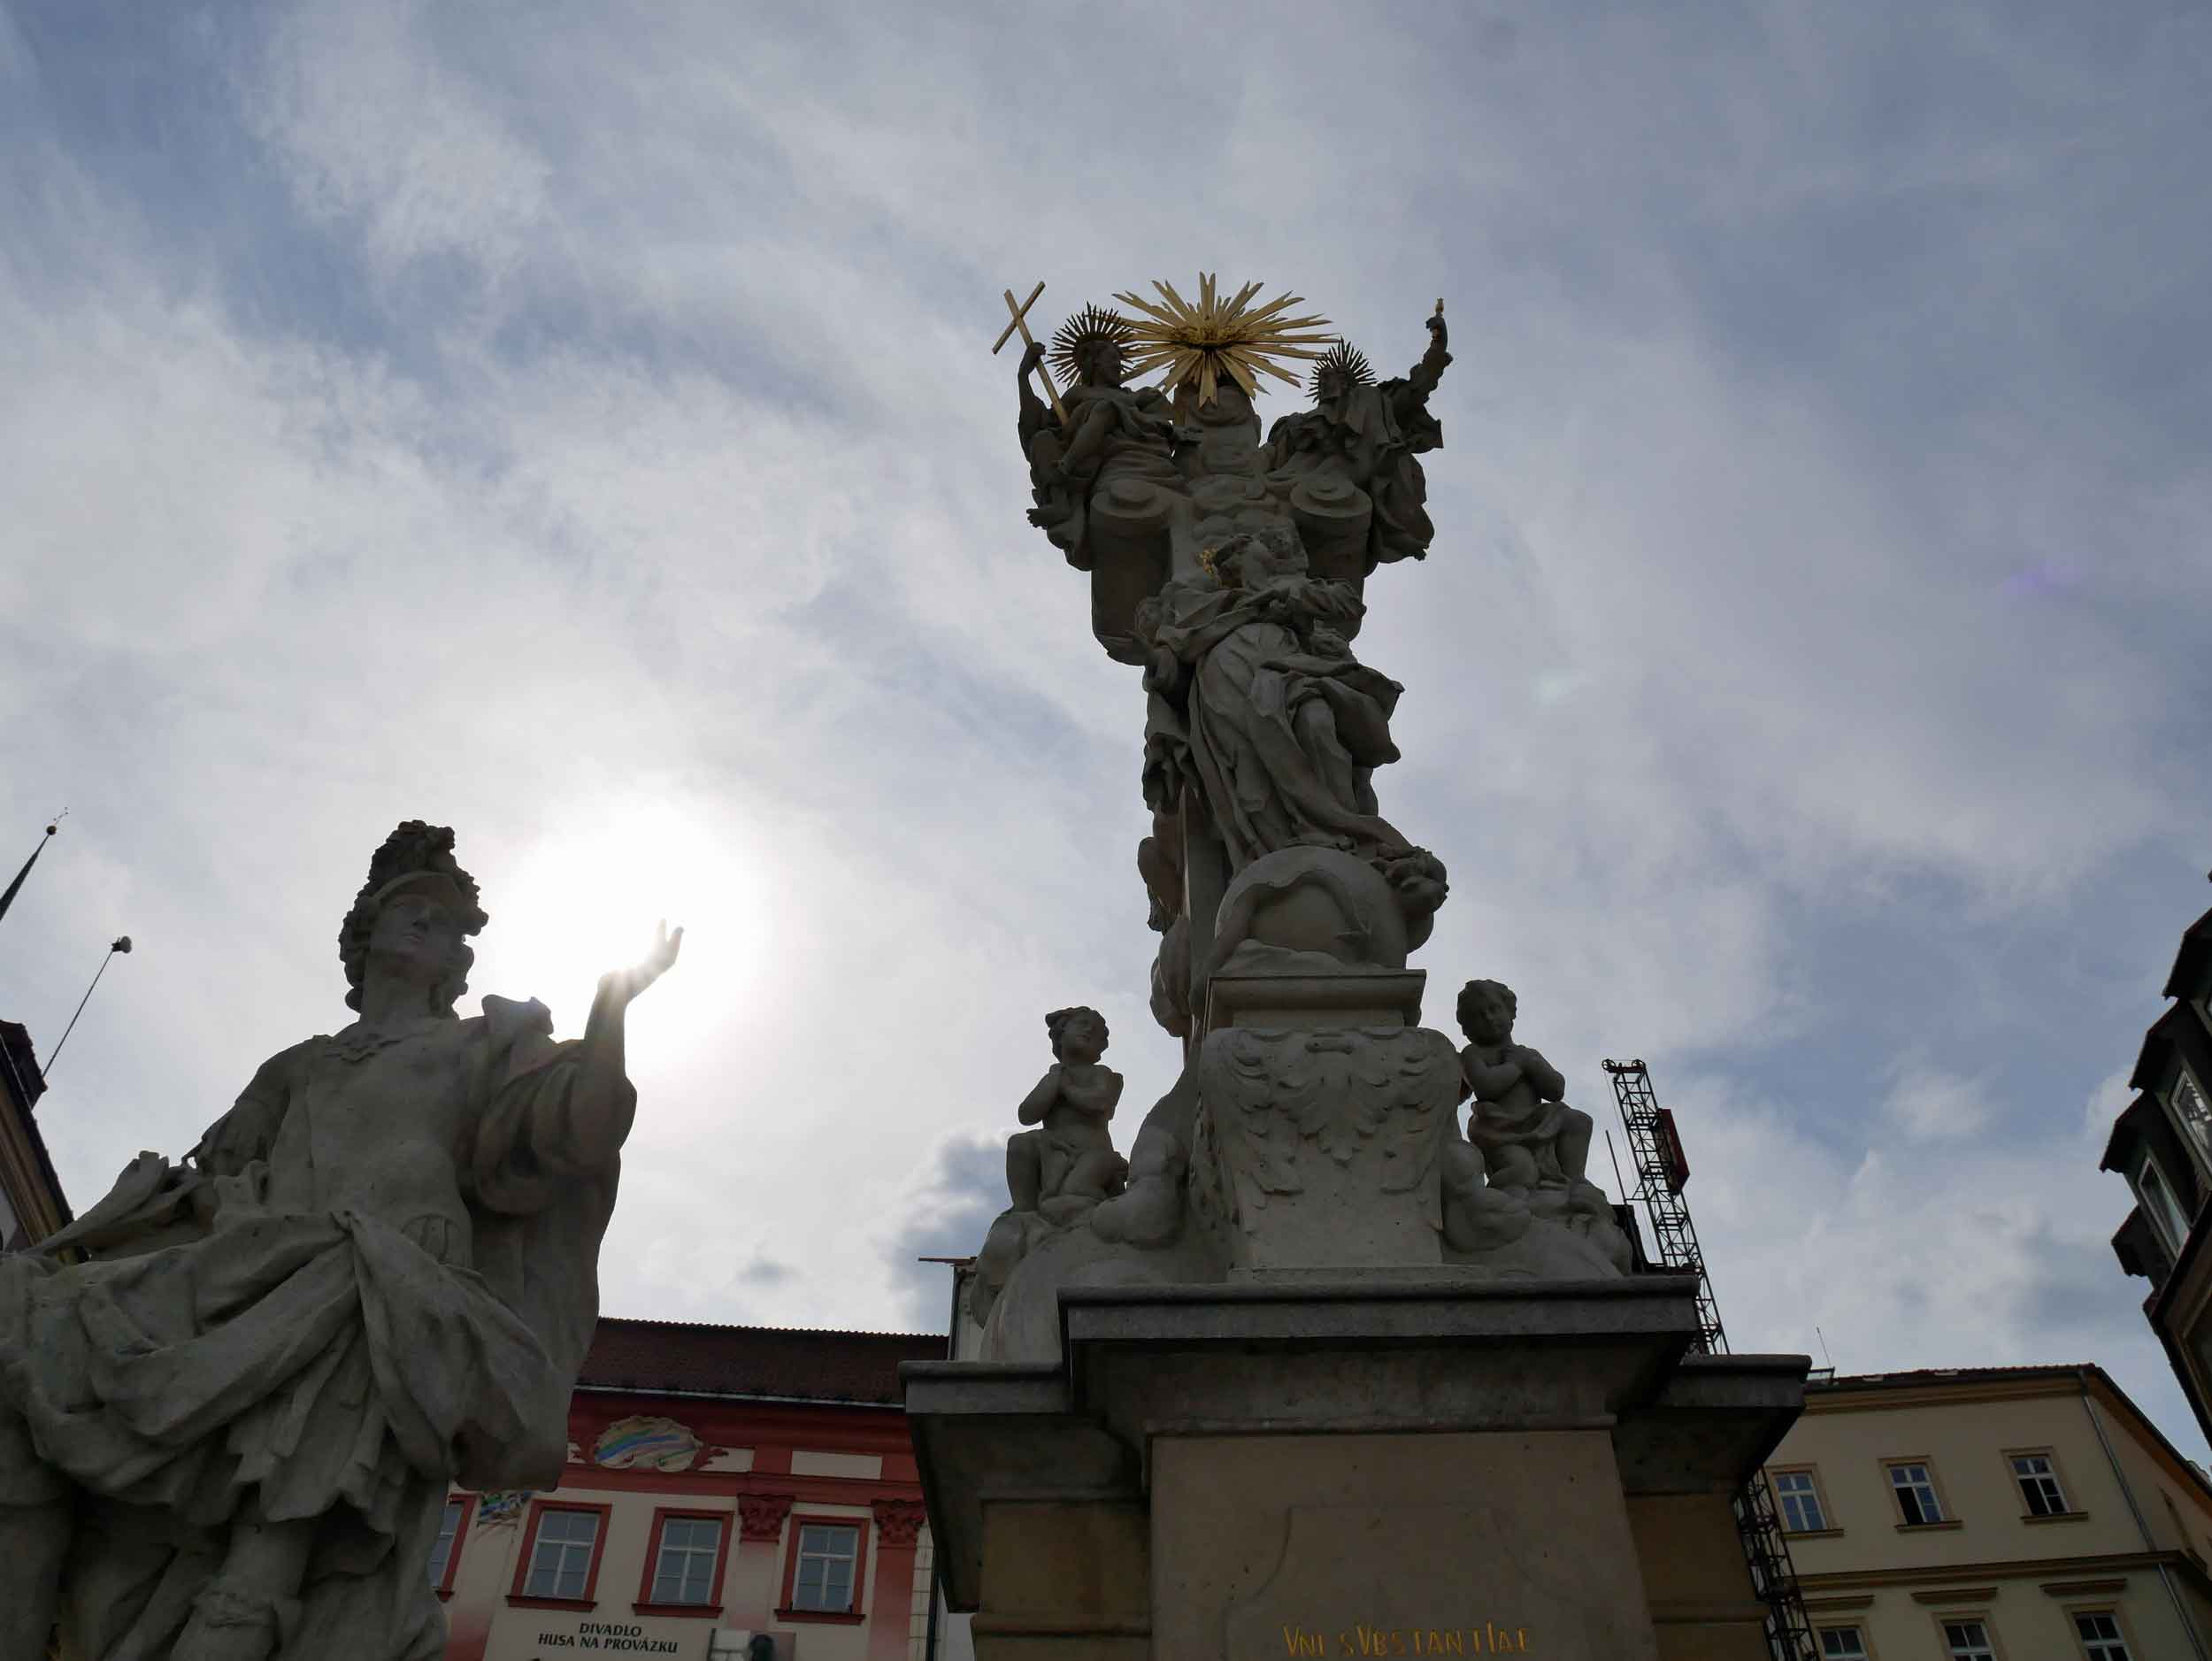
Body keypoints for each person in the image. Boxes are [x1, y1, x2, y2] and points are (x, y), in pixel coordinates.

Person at [0, 822, 680, 1661]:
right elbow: (218, 1181)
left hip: (382, 1293)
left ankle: (244, 1607)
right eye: (412, 911)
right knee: (24, 1349)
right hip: (252, 1279)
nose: (430, 927)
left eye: (447, 921)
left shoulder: (481, 1044)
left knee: (280, 1532)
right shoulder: (297, 1065)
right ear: (364, 936)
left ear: (461, 962)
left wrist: (610, 1006)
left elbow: (582, 1127)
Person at [1006, 1006, 1127, 1224]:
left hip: (1092, 1153)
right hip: (1054, 1150)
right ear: (1061, 1034)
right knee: (1019, 1143)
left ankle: (1101, 1205)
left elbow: (1099, 1103)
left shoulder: (1104, 1074)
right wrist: (1053, 1083)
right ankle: (1025, 1212)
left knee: (1076, 1191)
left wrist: (1067, 1088)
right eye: (1083, 1024)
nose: (1089, 1030)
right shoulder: (1055, 1076)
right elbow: (1026, 1115)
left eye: (1097, 1031)